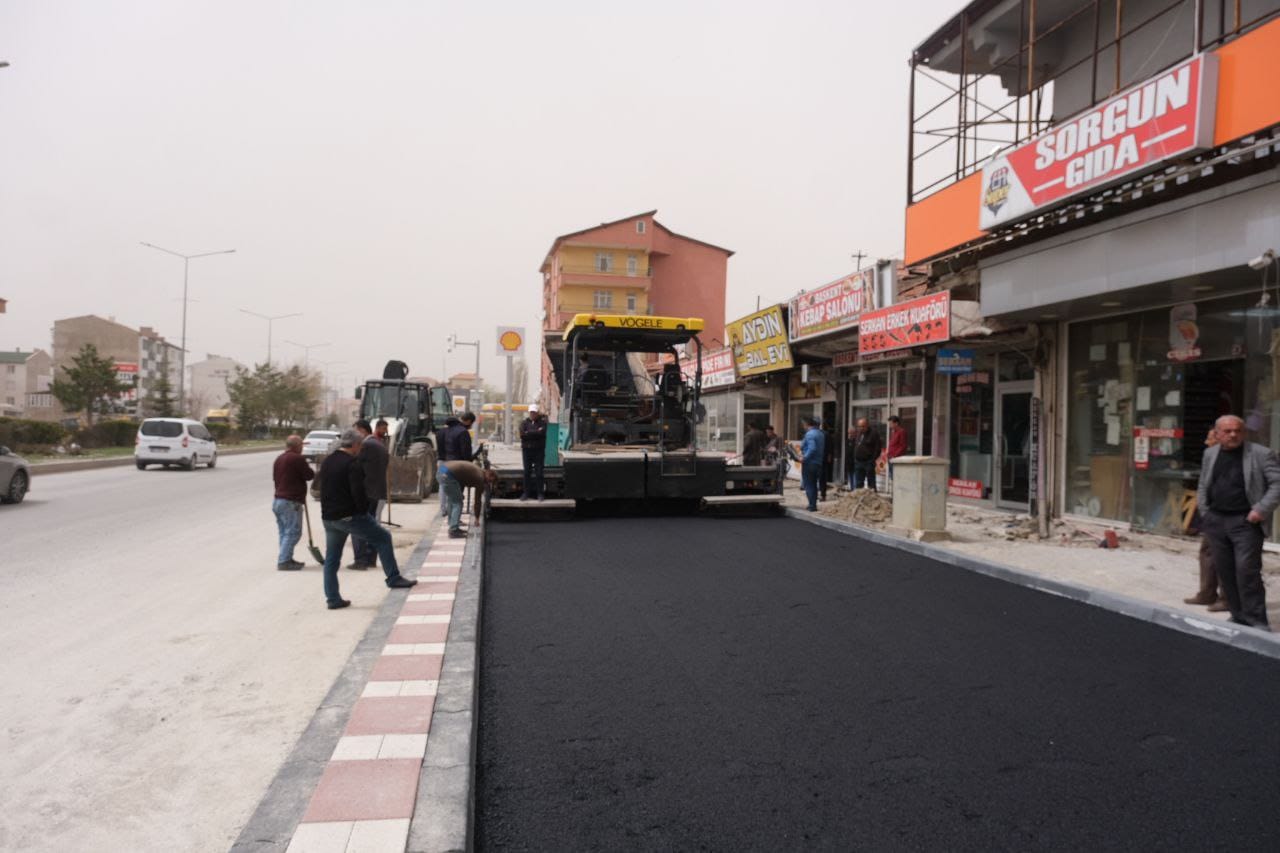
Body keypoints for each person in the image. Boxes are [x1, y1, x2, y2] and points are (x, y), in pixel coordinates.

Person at [1196, 414, 1280, 630]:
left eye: (1238, 430)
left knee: (1247, 572)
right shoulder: (1210, 453)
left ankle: (1257, 621)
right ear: (1216, 434)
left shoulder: (1261, 454)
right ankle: (1238, 616)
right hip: (1216, 521)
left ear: (1244, 432)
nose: (1233, 435)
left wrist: (1260, 510)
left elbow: (1277, 485)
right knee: (1226, 572)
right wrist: (1206, 512)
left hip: (1245, 523)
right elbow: (1204, 484)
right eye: (1227, 431)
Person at [317, 429, 417, 610]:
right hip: (349, 516)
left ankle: (332, 599)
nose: (361, 448)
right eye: (360, 445)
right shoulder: (352, 463)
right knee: (383, 538)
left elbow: (321, 487)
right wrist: (363, 513)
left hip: (329, 518)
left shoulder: (328, 461)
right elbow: (359, 493)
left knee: (332, 559)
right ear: (355, 445)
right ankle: (393, 578)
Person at [1185, 426, 1228, 611]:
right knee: (1208, 552)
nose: (1206, 442)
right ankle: (1207, 593)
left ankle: (1227, 598)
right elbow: (1203, 487)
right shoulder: (1210, 459)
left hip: (1228, 515)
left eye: (1210, 438)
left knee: (1225, 555)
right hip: (1212, 514)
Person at [348, 419, 389, 571]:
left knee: (358, 526)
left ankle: (360, 560)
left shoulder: (366, 445)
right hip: (378, 492)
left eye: (355, 432)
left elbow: (354, 466)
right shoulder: (378, 444)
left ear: (362, 431)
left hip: (369, 493)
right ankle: (371, 559)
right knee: (372, 527)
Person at [272, 434, 314, 571]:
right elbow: (309, 475)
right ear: (297, 446)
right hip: (291, 501)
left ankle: (286, 557)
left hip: (278, 500)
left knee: (284, 532)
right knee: (293, 532)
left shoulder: (279, 459)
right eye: (302, 445)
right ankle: (284, 561)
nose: (302, 448)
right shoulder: (297, 459)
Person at [439, 458, 487, 537]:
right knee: (458, 502)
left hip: (442, 469)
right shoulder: (480, 478)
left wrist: (459, 493)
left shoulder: (477, 470)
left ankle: (451, 522)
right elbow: (477, 501)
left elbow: (461, 480)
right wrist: (477, 519)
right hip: (448, 474)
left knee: (452, 499)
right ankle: (453, 530)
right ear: (490, 477)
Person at [520, 404, 548, 501]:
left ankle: (540, 494)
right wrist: (535, 432)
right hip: (526, 451)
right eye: (531, 412)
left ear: (537, 413)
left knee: (539, 473)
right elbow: (522, 434)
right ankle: (526, 493)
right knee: (526, 472)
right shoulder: (524, 423)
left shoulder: (542, 423)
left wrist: (529, 432)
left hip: (538, 451)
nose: (532, 414)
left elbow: (542, 433)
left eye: (534, 412)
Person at [847, 418, 882, 492]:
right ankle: (859, 499)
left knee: (871, 483)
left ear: (867, 425)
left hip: (868, 461)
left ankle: (872, 499)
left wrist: (872, 459)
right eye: (859, 426)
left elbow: (878, 448)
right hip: (858, 461)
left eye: (863, 426)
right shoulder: (859, 434)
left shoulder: (873, 433)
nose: (861, 428)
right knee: (858, 483)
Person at [800, 417, 825, 512]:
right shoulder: (820, 433)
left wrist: (804, 457)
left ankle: (812, 505)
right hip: (818, 462)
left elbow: (812, 448)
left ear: (807, 424)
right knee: (814, 484)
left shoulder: (810, 434)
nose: (803, 426)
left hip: (809, 463)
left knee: (809, 485)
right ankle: (813, 504)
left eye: (804, 424)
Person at [883, 415, 908, 488]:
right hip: (891, 458)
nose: (890, 425)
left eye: (891, 423)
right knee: (892, 477)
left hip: (896, 459)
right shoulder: (894, 432)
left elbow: (903, 446)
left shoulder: (902, 432)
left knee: (897, 477)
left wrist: (895, 455)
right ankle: (894, 493)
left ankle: (898, 493)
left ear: (896, 423)